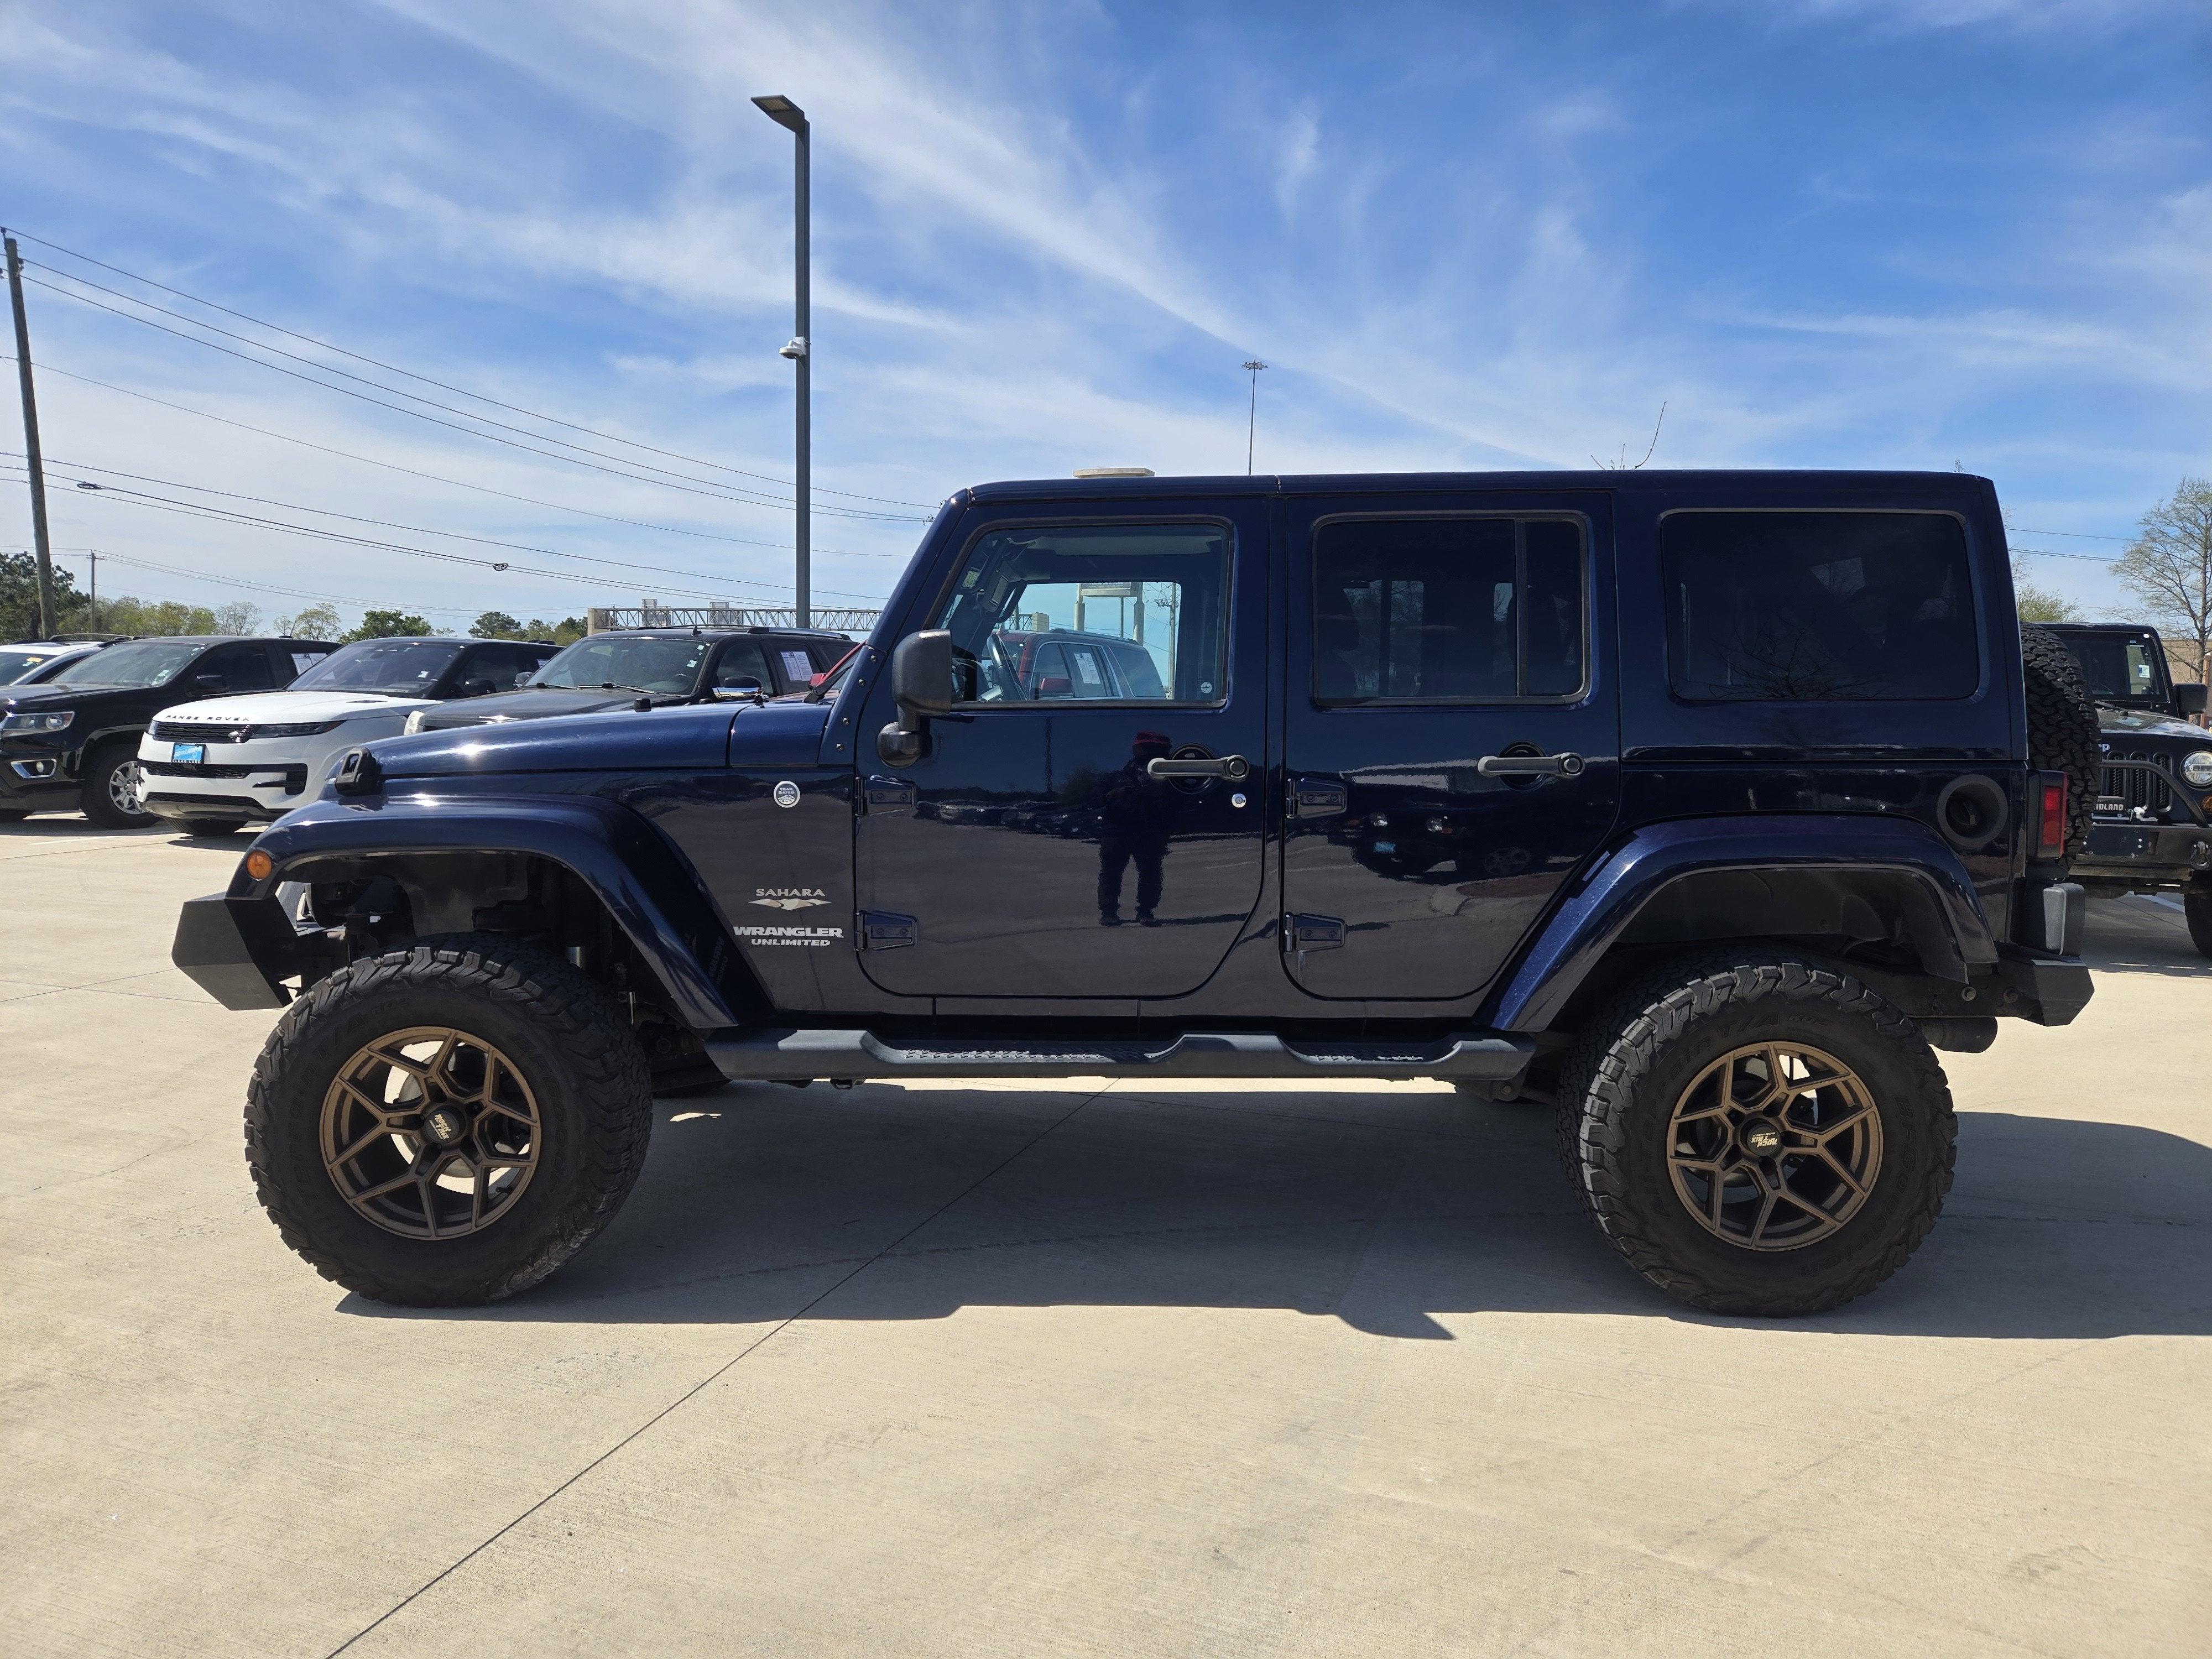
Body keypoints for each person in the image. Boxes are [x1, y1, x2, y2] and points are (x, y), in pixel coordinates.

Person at [1095, 730, 1176, 926]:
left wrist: (1159, 794)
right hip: (1117, 830)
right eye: (1147, 748)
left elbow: (1178, 804)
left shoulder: (1169, 778)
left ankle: (1146, 912)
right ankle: (1109, 912)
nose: (1152, 753)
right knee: (1111, 872)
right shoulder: (1116, 777)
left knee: (1151, 872)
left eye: (1158, 750)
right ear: (1137, 750)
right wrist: (1112, 795)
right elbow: (1093, 801)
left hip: (1148, 831)